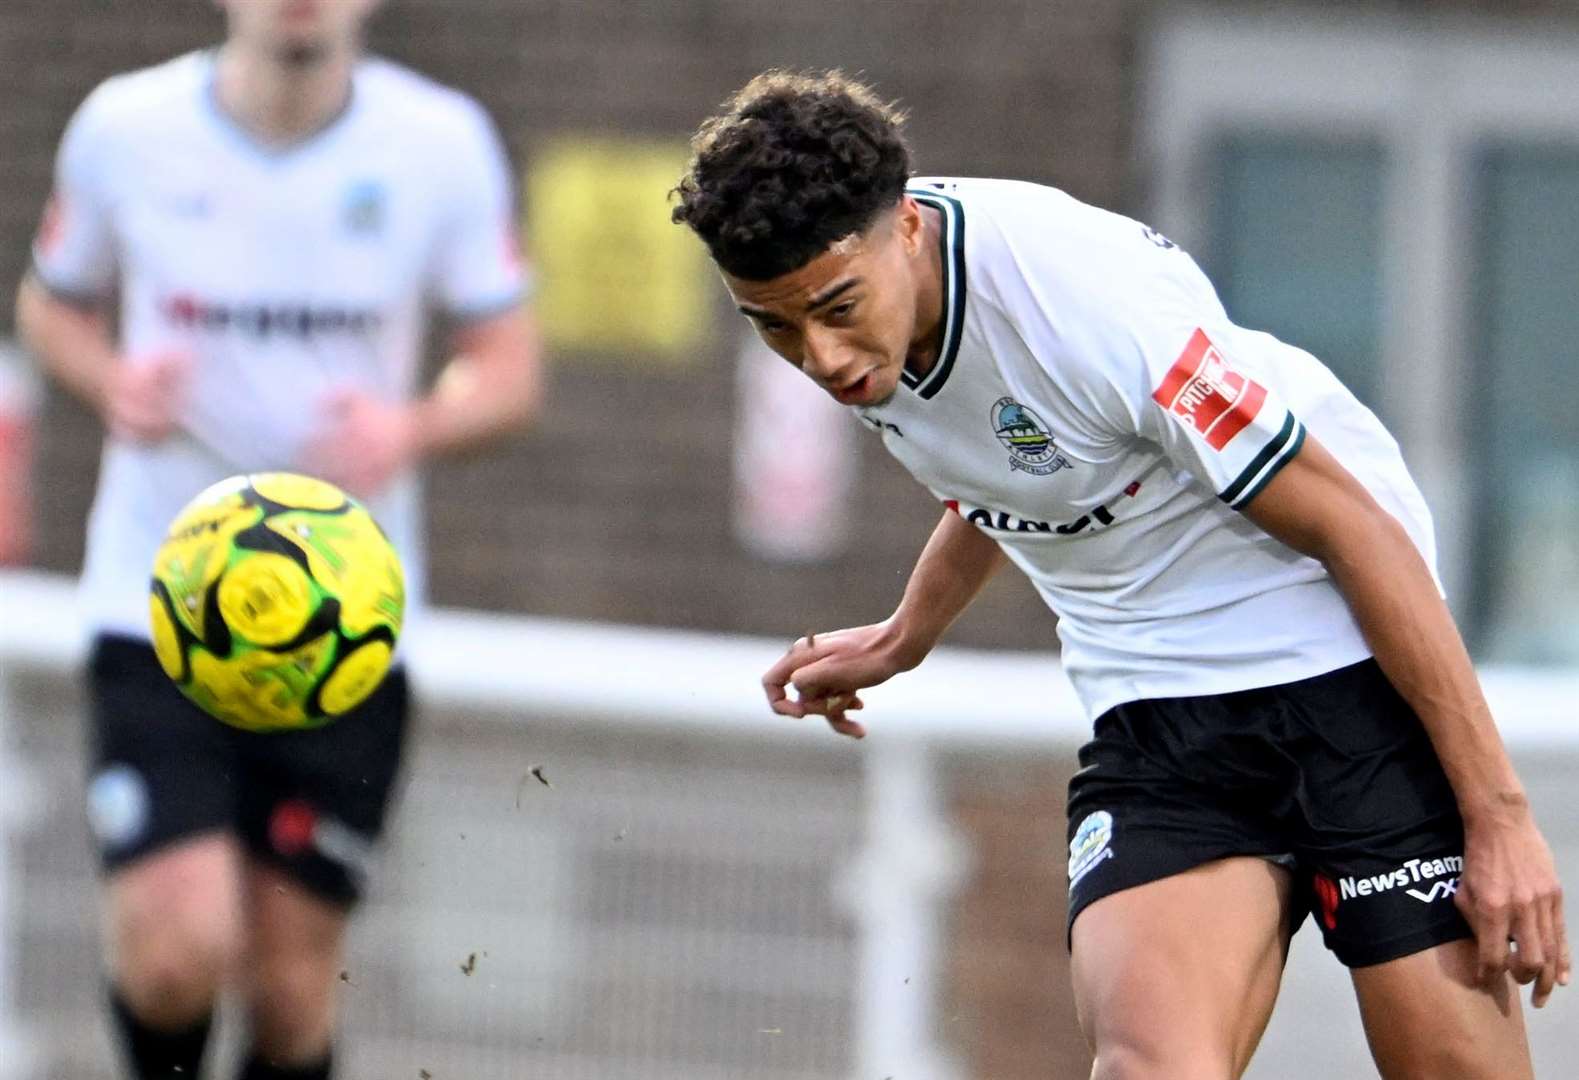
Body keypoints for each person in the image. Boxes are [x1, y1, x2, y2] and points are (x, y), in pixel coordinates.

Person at [672, 70, 1567, 1079]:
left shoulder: (1089, 310)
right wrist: (901, 635)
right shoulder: (862, 338)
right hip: (1157, 704)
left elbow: (1354, 530)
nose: (823, 358)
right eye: (775, 325)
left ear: (910, 228)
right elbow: (1011, 466)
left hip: (1341, 664)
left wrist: (1501, 820)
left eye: (834, 308)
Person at [15, 1, 542, 1077]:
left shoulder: (441, 143)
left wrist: (412, 424)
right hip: (159, 607)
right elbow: (50, 307)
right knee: (177, 948)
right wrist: (109, 377)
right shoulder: (125, 126)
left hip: (343, 634)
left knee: (293, 988)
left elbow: (510, 370)